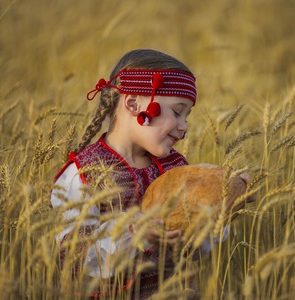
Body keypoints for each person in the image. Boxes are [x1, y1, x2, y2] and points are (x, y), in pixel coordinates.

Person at [51, 49, 227, 299]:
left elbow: (195, 245)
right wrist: (132, 232)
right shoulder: (83, 172)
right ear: (133, 103)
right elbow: (69, 255)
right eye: (177, 112)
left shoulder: (175, 167)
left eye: (187, 116)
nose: (184, 126)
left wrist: (220, 203)